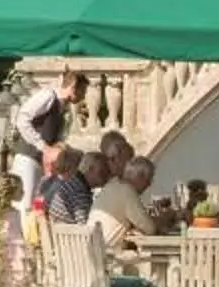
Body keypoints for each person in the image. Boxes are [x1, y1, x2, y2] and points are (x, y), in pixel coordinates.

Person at [10, 68, 84, 203]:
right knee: (23, 204)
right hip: (28, 158)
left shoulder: (64, 109)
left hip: (42, 164)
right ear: (73, 87)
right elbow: (22, 118)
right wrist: (42, 146)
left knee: (37, 205)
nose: (83, 97)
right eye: (82, 91)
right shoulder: (48, 96)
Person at [93, 155, 160, 245]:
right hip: (108, 252)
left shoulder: (112, 185)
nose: (149, 185)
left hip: (96, 247)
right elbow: (150, 228)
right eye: (148, 180)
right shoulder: (127, 191)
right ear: (140, 176)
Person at [36, 143, 94, 225]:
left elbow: (37, 201)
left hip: (48, 227)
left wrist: (41, 218)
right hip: (60, 230)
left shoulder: (48, 180)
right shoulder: (74, 187)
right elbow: (83, 224)